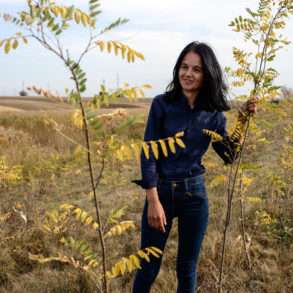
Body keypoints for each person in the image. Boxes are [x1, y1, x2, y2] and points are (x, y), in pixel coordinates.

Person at [132, 41, 257, 293]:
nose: (188, 74)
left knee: (187, 269)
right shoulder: (161, 104)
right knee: (148, 266)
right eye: (184, 67)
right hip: (162, 194)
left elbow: (229, 155)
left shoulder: (214, 114)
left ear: (207, 74)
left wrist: (242, 120)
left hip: (194, 195)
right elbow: (149, 154)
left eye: (196, 69)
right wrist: (153, 201)